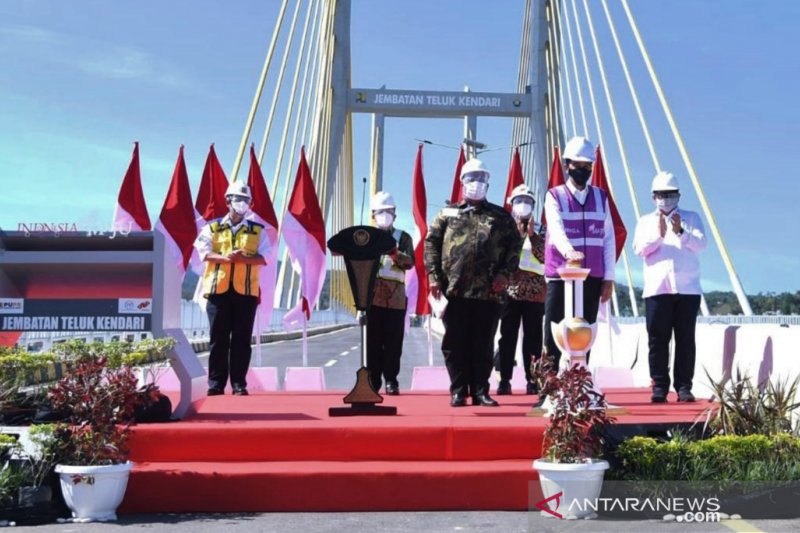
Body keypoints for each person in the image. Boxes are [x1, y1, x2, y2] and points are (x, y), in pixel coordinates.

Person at [424, 158, 522, 407]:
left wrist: (504, 273)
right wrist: (434, 276)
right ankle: (458, 390)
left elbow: (514, 247)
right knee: (455, 342)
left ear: (488, 183)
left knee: (483, 343)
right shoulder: (447, 214)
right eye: (472, 178)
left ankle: (480, 390)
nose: (476, 183)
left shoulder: (501, 217)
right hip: (454, 289)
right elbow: (431, 244)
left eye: (481, 178)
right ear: (462, 182)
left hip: (489, 292)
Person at [542, 136, 615, 375]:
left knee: (585, 331)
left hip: (592, 276)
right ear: (567, 165)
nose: (582, 170)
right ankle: (549, 387)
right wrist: (569, 253)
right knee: (554, 330)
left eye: (587, 166)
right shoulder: (555, 196)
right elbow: (556, 229)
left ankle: (579, 381)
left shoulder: (601, 197)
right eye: (577, 165)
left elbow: (608, 239)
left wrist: (609, 278)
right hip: (561, 276)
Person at [633, 171, 707, 403]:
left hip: (687, 289)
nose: (666, 199)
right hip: (657, 289)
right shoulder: (645, 222)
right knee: (657, 339)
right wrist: (659, 235)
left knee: (685, 339)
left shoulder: (691, 218)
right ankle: (659, 386)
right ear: (653, 196)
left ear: (678, 195)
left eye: (670, 194)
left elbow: (701, 244)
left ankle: (684, 386)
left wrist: (680, 233)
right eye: (661, 194)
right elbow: (638, 249)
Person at [194, 181, 270, 396]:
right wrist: (226, 258)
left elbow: (264, 258)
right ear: (227, 201)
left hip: (246, 292)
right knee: (218, 338)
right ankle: (215, 384)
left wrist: (243, 259)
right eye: (238, 199)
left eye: (246, 200)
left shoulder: (257, 231)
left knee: (242, 339)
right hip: (218, 290)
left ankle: (239, 383)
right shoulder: (212, 228)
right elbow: (203, 252)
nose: (242, 203)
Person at [494, 184, 547, 395]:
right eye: (519, 201)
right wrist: (516, 235)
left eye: (528, 201)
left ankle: (533, 380)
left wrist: (533, 237)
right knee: (507, 336)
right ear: (512, 204)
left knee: (533, 339)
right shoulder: (504, 228)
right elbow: (498, 256)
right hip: (510, 291)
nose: (523, 205)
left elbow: (547, 259)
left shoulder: (543, 229)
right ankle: (504, 379)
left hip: (535, 293)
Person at [366, 191, 415, 395]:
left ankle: (391, 380)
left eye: (388, 212)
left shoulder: (403, 237)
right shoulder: (366, 236)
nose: (384, 215)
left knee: (393, 342)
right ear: (373, 214)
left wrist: (395, 253)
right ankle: (373, 381)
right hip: (372, 298)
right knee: (373, 342)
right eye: (380, 212)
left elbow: (410, 262)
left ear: (395, 214)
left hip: (395, 298)